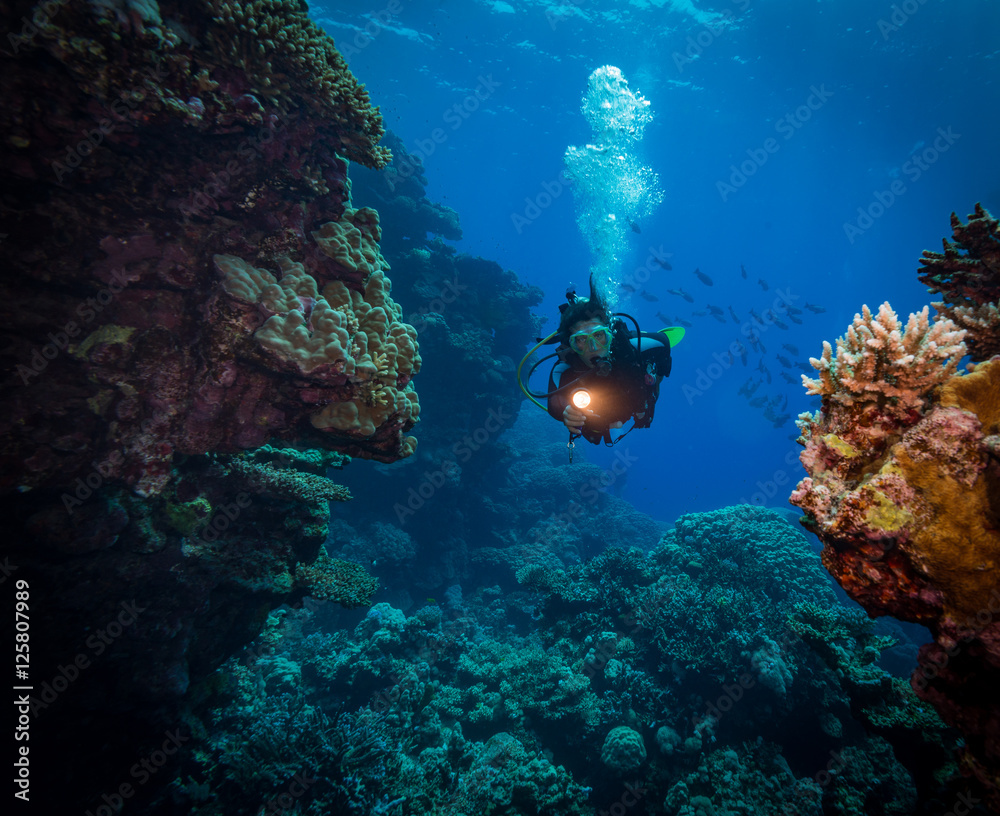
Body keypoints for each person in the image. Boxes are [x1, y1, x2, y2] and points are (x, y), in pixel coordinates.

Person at [546, 279, 672, 445]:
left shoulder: (632, 346)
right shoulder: (564, 367)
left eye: (599, 336)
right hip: (598, 422)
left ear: (610, 334)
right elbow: (553, 404)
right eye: (581, 340)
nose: (593, 347)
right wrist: (566, 413)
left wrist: (657, 383)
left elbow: (663, 341)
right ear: (571, 345)